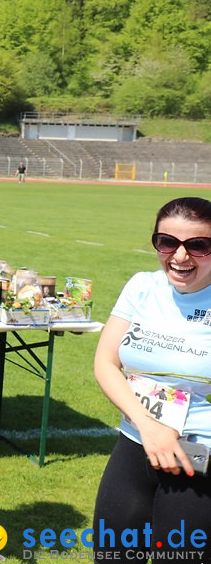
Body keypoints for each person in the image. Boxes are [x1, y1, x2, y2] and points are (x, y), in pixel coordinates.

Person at [92, 197, 211, 561]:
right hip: (134, 445)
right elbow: (105, 362)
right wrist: (148, 426)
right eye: (167, 242)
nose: (179, 256)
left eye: (198, 245)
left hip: (198, 459)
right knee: (111, 556)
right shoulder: (143, 286)